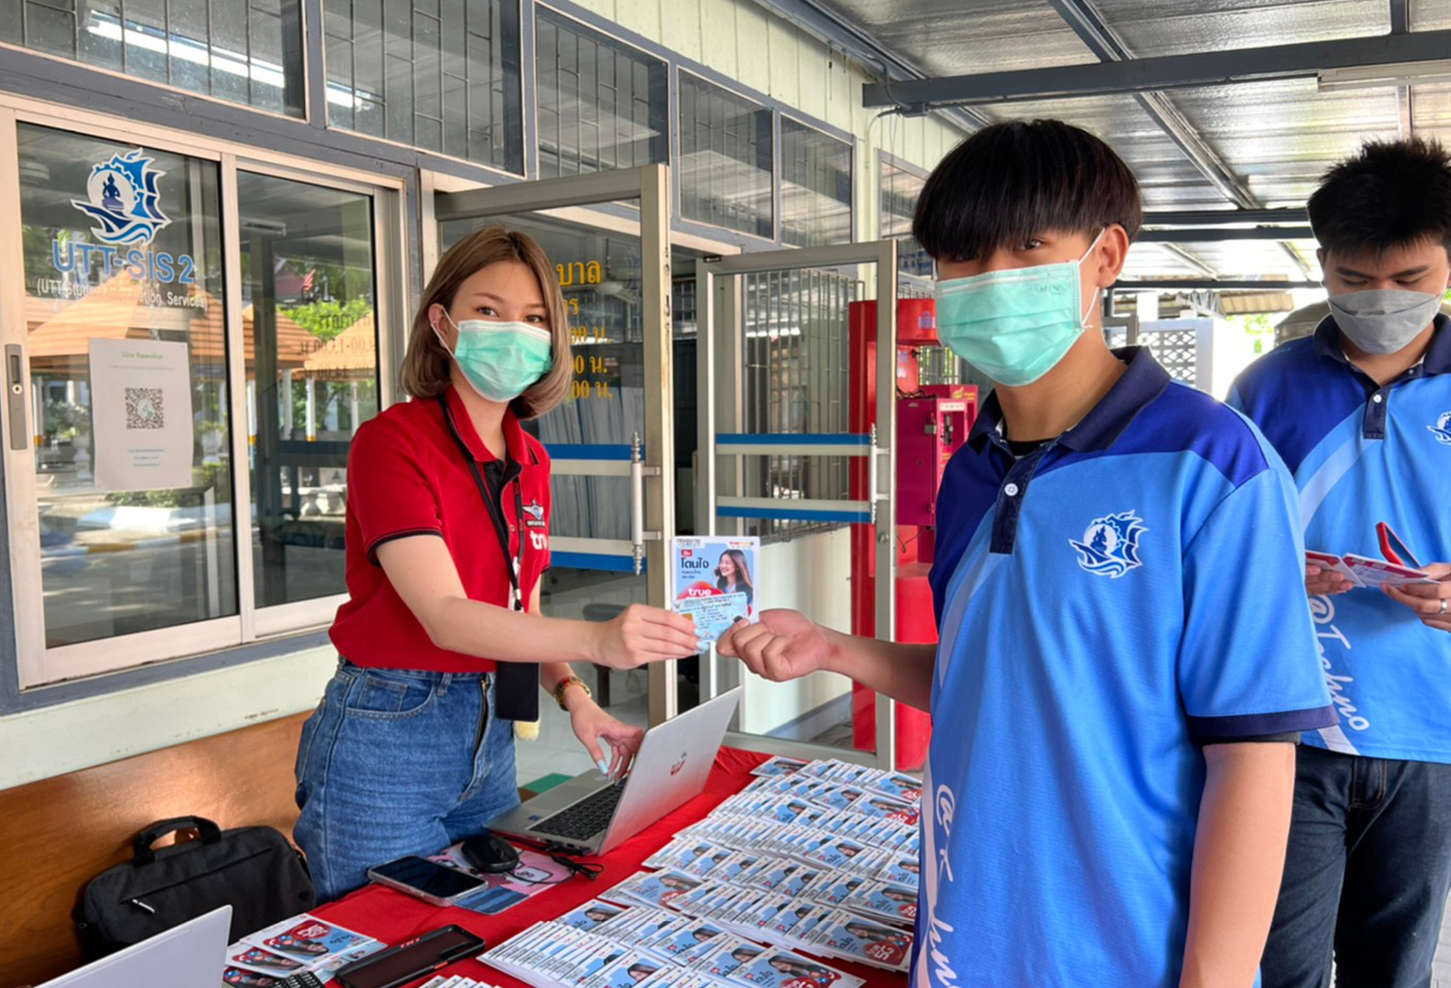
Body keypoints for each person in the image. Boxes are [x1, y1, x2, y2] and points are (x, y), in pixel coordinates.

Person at [718, 119, 1334, 987]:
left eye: (1026, 247)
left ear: (1106, 255)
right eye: (964, 257)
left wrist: (1217, 977)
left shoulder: (1213, 464)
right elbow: (995, 681)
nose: (991, 280)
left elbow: (1255, 755)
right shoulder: (971, 469)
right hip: (966, 932)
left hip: (1126, 951)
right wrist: (833, 649)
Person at [294, 226, 701, 902]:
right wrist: (598, 638)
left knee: (484, 924)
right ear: (442, 324)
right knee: (379, 942)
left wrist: (576, 695)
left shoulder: (531, 460)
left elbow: (524, 605)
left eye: (535, 318)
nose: (514, 331)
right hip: (388, 732)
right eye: (488, 310)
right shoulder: (391, 443)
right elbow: (447, 617)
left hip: (489, 734)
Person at [1227, 137, 1451, 988]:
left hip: (1433, 731)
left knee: (1394, 962)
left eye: (1411, 279)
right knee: (1277, 960)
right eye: (1356, 280)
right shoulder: (1265, 391)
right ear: (1323, 265)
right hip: (1290, 720)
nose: (1383, 300)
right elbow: (1217, 548)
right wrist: (1276, 575)